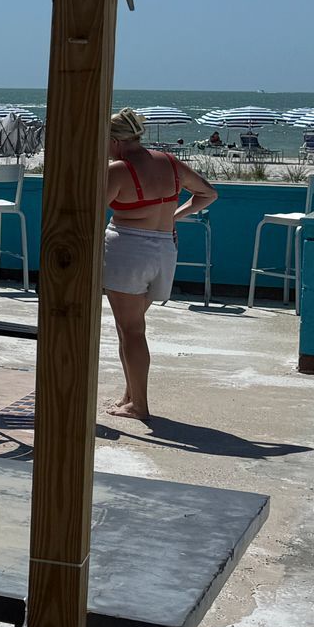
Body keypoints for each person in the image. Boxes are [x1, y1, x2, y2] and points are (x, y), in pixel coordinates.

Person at [103, 108, 217, 422]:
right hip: (164, 251)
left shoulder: (118, 170)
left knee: (132, 330)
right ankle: (130, 395)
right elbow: (208, 193)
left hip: (129, 251)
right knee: (130, 329)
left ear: (115, 140)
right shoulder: (169, 162)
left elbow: (87, 210)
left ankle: (139, 405)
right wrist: (173, 217)